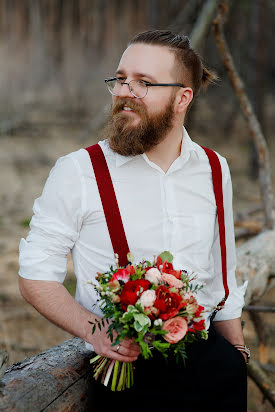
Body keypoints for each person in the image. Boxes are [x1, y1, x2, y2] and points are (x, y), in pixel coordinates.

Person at [18, 30, 248, 411]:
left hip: (215, 372)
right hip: (128, 378)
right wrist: (99, 332)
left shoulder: (213, 167)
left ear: (182, 97)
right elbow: (34, 275)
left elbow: (223, 276)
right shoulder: (79, 170)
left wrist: (237, 353)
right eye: (121, 79)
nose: (125, 90)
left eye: (144, 82)